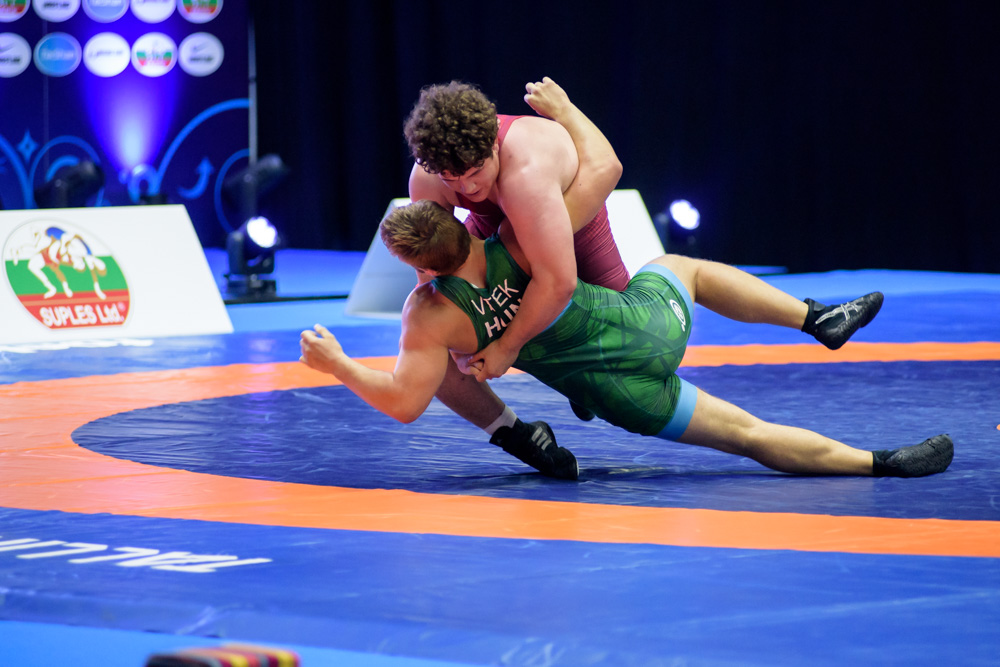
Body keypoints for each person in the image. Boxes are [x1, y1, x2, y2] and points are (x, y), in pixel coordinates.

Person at [300, 206, 953, 482]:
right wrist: (562, 114)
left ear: (419, 265)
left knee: (749, 435)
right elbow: (595, 179)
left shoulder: (430, 317)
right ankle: (815, 318)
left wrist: (338, 364)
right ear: (461, 224)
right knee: (680, 267)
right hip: (643, 326)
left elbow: (405, 402)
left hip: (620, 395)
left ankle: (880, 463)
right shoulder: (517, 237)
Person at [404, 77, 629, 467]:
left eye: (476, 171)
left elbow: (557, 282)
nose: (468, 187)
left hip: (572, 222)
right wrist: (453, 336)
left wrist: (506, 348)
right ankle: (515, 434)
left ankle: (584, 378)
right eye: (452, 179)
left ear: (494, 144)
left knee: (627, 347)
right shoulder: (428, 178)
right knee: (430, 332)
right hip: (494, 229)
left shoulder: (525, 168)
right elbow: (431, 269)